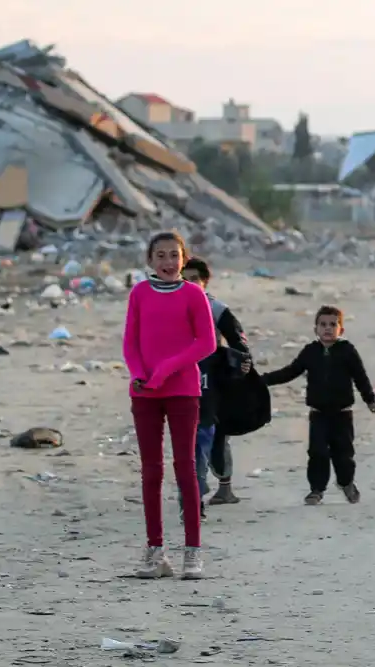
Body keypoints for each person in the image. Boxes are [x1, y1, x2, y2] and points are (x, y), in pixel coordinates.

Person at [123, 231, 217, 580]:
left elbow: (206, 343)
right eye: (160, 256)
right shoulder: (139, 293)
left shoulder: (193, 294)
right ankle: (155, 552)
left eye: (173, 255)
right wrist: (140, 374)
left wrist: (165, 370)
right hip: (144, 391)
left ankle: (192, 553)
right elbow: (130, 342)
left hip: (182, 390)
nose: (167, 262)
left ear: (183, 259)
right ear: (150, 260)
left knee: (185, 469)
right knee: (151, 471)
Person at [262, 306, 375, 505]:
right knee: (317, 452)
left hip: (342, 415)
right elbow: (290, 371)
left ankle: (346, 483)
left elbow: (360, 377)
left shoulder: (347, 351)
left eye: (333, 324)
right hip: (318, 414)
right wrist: (263, 380)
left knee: (344, 454)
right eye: (323, 325)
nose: (328, 328)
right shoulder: (310, 352)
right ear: (315, 329)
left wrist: (369, 399)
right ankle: (316, 490)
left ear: (341, 330)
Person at [176, 257, 252, 518]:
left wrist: (239, 366)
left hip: (212, 384)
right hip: (179, 382)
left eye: (194, 278)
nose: (189, 283)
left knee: (213, 436)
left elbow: (239, 344)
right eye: (184, 278)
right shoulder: (170, 307)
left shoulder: (216, 309)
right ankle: (193, 495)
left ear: (205, 280)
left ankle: (215, 487)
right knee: (189, 440)